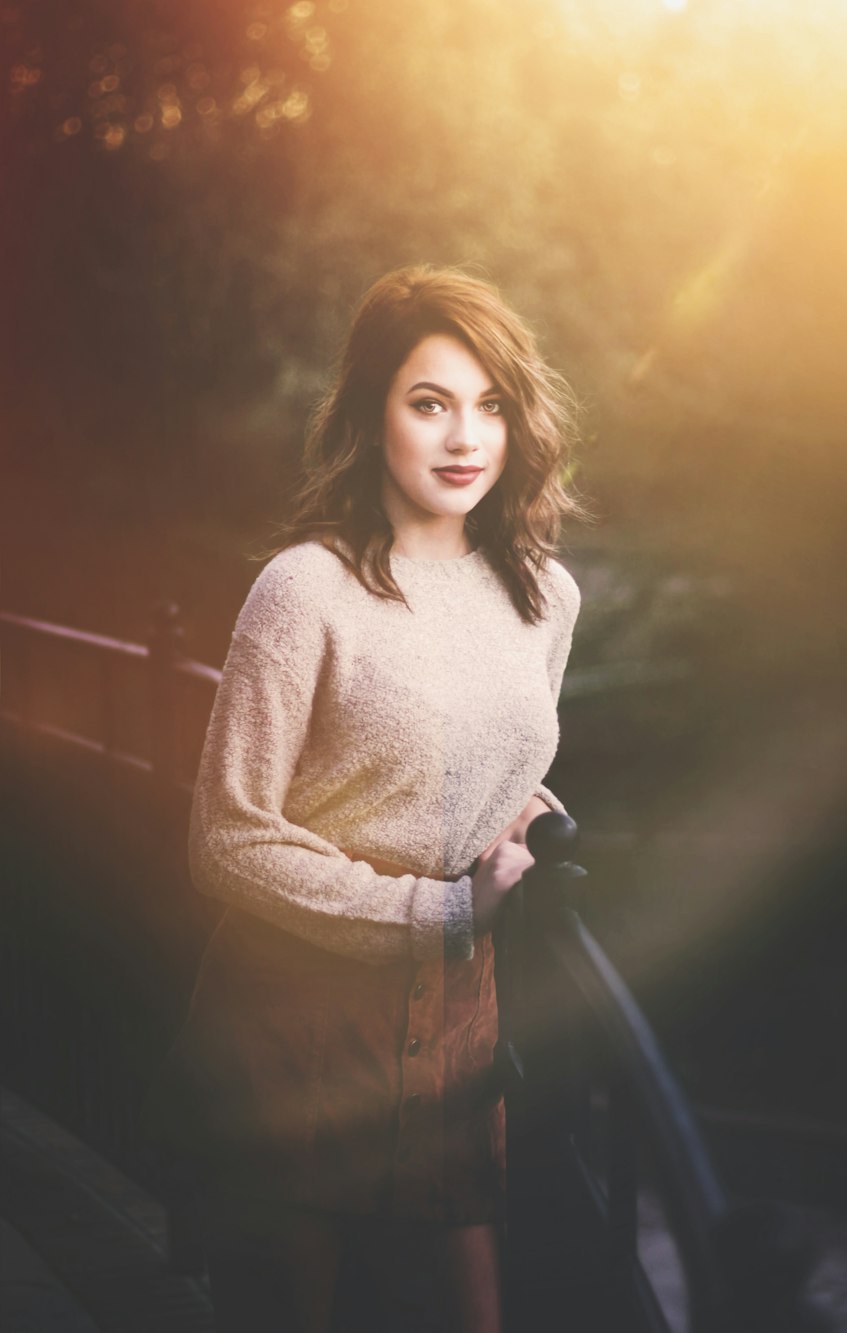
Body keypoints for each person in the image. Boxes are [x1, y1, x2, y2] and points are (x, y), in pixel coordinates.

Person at [153, 264, 588, 1332]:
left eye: (489, 405)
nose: (462, 437)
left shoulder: (545, 593)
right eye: (428, 401)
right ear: (369, 413)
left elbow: (497, 752)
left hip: (455, 1007)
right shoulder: (303, 589)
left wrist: (527, 811)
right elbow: (226, 839)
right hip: (300, 1005)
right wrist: (436, 910)